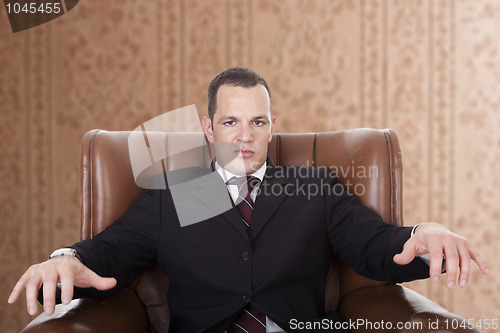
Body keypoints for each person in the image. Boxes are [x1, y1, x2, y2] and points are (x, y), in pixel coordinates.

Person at [9, 67, 489, 332]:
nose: (244, 137)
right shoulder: (175, 197)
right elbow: (108, 252)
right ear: (208, 128)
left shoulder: (312, 189)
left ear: (271, 128)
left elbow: (377, 245)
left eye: (257, 122)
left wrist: (423, 234)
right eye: (230, 122)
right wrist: (66, 259)